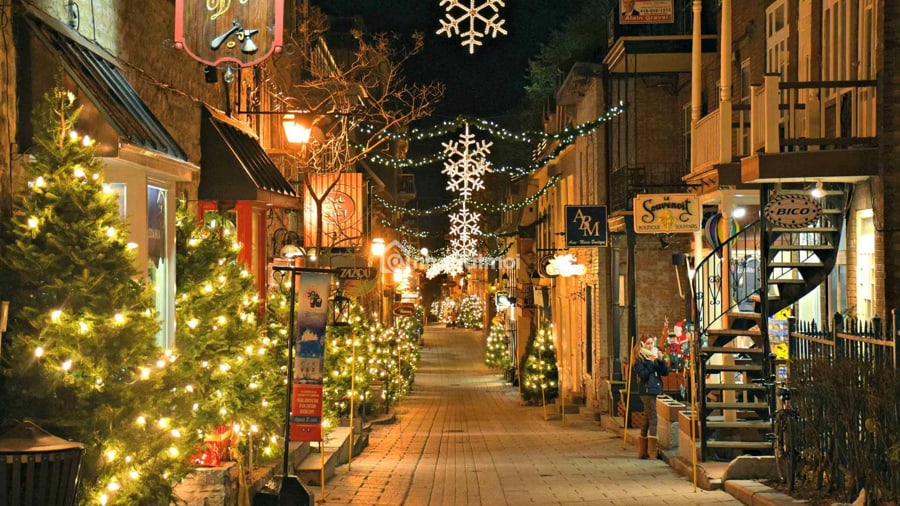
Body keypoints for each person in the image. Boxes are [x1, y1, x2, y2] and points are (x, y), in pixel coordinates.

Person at [633, 335, 668, 459]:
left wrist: (660, 360)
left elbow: (664, 372)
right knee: (653, 418)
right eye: (648, 343)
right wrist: (651, 363)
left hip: (654, 390)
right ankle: (653, 451)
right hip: (646, 391)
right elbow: (643, 375)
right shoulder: (640, 359)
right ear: (642, 345)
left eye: (652, 343)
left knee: (647, 419)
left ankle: (643, 451)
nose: (650, 346)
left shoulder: (652, 356)